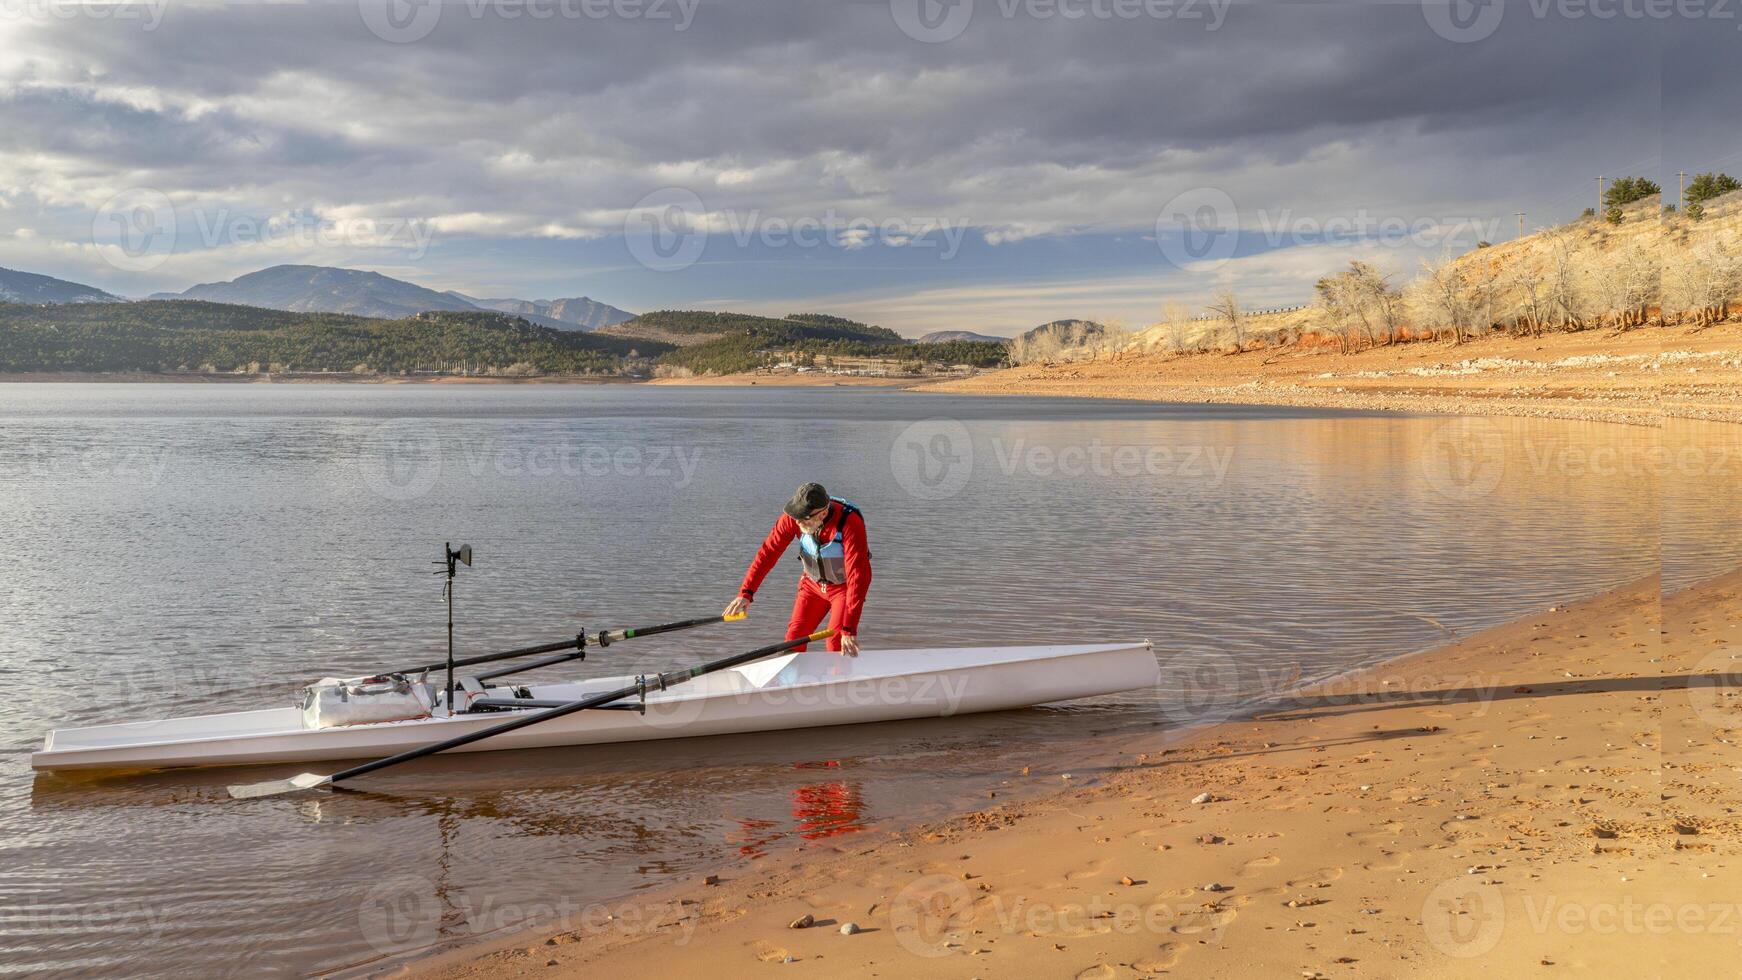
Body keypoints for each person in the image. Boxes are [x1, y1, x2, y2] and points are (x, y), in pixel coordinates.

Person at [724, 483, 871, 656]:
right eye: (796, 515)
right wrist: (746, 593)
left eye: (803, 517)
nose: (797, 521)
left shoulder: (850, 522)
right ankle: (791, 682)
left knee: (836, 642)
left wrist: (849, 629)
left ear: (822, 514)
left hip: (843, 589)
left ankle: (840, 679)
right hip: (812, 586)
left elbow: (858, 576)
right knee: (793, 641)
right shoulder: (793, 518)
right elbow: (768, 553)